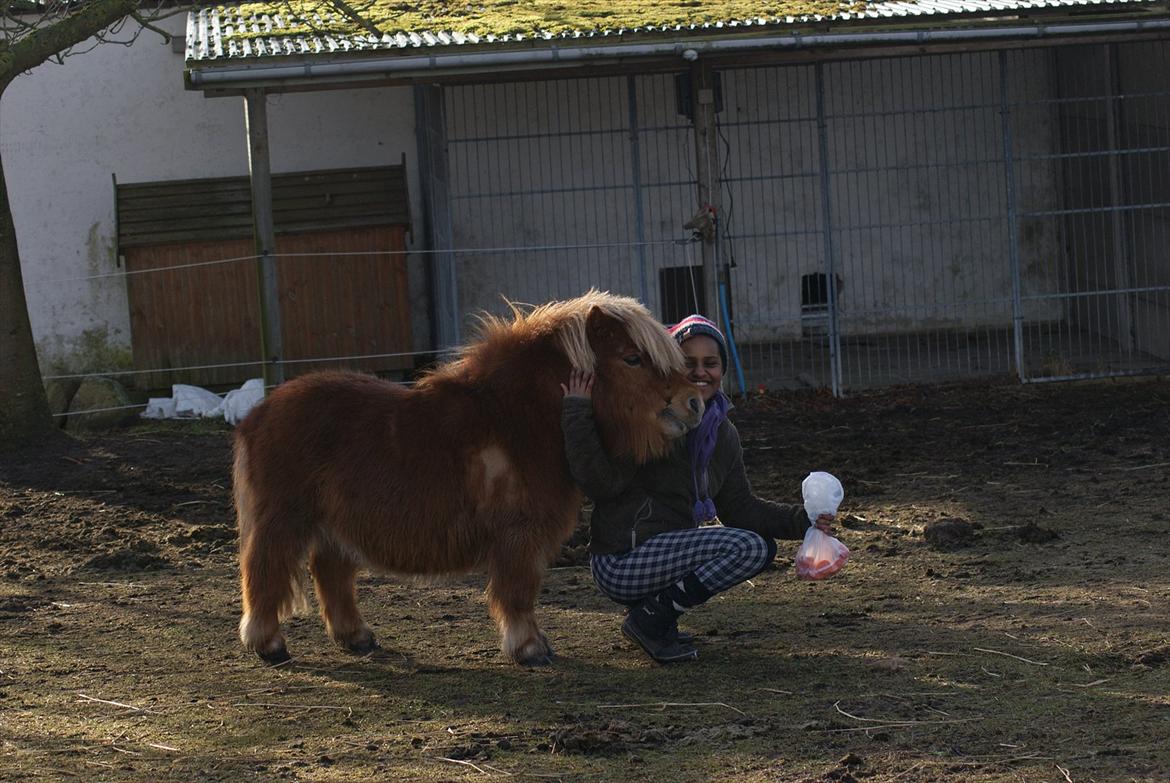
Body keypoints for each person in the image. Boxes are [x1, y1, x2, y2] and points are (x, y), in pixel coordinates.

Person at [561, 314, 834, 663]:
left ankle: (654, 615)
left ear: (722, 369)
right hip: (619, 560)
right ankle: (651, 620)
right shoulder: (653, 421)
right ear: (668, 368)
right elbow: (599, 483)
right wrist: (577, 411)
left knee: (755, 545)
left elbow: (740, 509)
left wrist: (806, 519)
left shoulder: (722, 434)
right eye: (687, 363)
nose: (701, 372)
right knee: (750, 548)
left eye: (711, 363)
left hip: (662, 558)